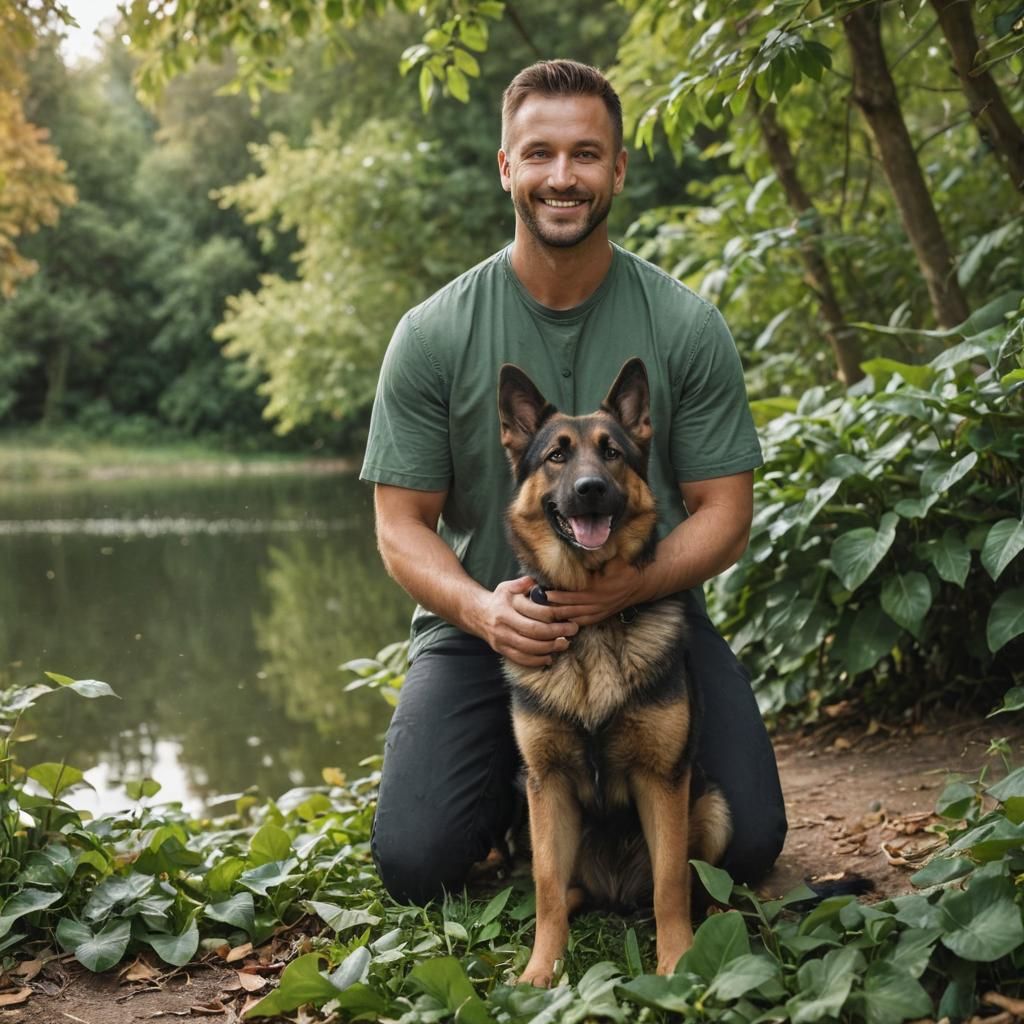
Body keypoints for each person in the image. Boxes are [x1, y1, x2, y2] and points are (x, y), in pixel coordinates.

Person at [359, 59, 787, 905]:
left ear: (618, 169)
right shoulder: (433, 334)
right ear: (507, 167)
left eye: (587, 154)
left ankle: (575, 813)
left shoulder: (684, 325)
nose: (564, 176)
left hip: (650, 615)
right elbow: (399, 524)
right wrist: (483, 611)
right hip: (488, 630)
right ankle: (522, 808)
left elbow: (726, 516)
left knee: (746, 846)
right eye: (541, 153)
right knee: (415, 860)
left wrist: (630, 586)